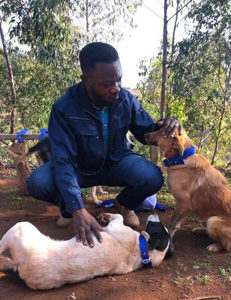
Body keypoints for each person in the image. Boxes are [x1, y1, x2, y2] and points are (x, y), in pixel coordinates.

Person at [26, 42, 182, 248]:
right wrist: (77, 209)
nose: (116, 89)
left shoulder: (126, 99)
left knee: (152, 176)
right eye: (107, 84)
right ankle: (70, 205)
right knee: (38, 183)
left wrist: (167, 123)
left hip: (117, 161)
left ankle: (124, 205)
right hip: (79, 167)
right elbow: (63, 160)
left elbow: (146, 132)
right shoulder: (64, 108)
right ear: (87, 80)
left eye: (119, 80)